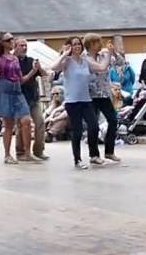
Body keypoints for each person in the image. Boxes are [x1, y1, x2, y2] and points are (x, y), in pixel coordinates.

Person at [46, 36, 109, 169]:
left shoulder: (85, 61)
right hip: (72, 102)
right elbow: (54, 67)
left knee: (94, 126)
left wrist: (107, 54)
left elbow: (102, 68)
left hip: (86, 100)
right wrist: (64, 54)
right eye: (74, 44)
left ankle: (94, 156)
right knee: (77, 130)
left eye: (79, 44)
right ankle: (77, 160)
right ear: (70, 47)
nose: (77, 46)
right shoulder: (67, 62)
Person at [0, 32, 36, 164]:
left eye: (12, 39)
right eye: (8, 40)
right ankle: (7, 155)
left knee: (26, 121)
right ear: (2, 43)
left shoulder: (14, 58)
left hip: (17, 92)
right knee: (8, 125)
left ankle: (27, 153)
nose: (11, 41)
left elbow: (21, 79)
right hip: (4, 92)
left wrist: (33, 71)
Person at [85, 34, 122, 163]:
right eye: (97, 42)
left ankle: (109, 151)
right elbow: (100, 68)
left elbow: (120, 63)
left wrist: (114, 53)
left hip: (104, 94)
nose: (100, 44)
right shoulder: (85, 58)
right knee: (93, 125)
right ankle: (94, 155)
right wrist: (108, 56)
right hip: (90, 95)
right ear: (90, 44)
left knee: (113, 120)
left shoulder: (103, 55)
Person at [14, 37, 50, 161]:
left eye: (25, 45)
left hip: (33, 98)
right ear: (15, 47)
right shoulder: (13, 62)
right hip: (19, 98)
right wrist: (32, 71)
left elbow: (45, 74)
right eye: (21, 45)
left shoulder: (31, 61)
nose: (24, 48)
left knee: (40, 122)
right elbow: (20, 81)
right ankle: (20, 152)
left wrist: (39, 68)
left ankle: (39, 150)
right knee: (22, 125)